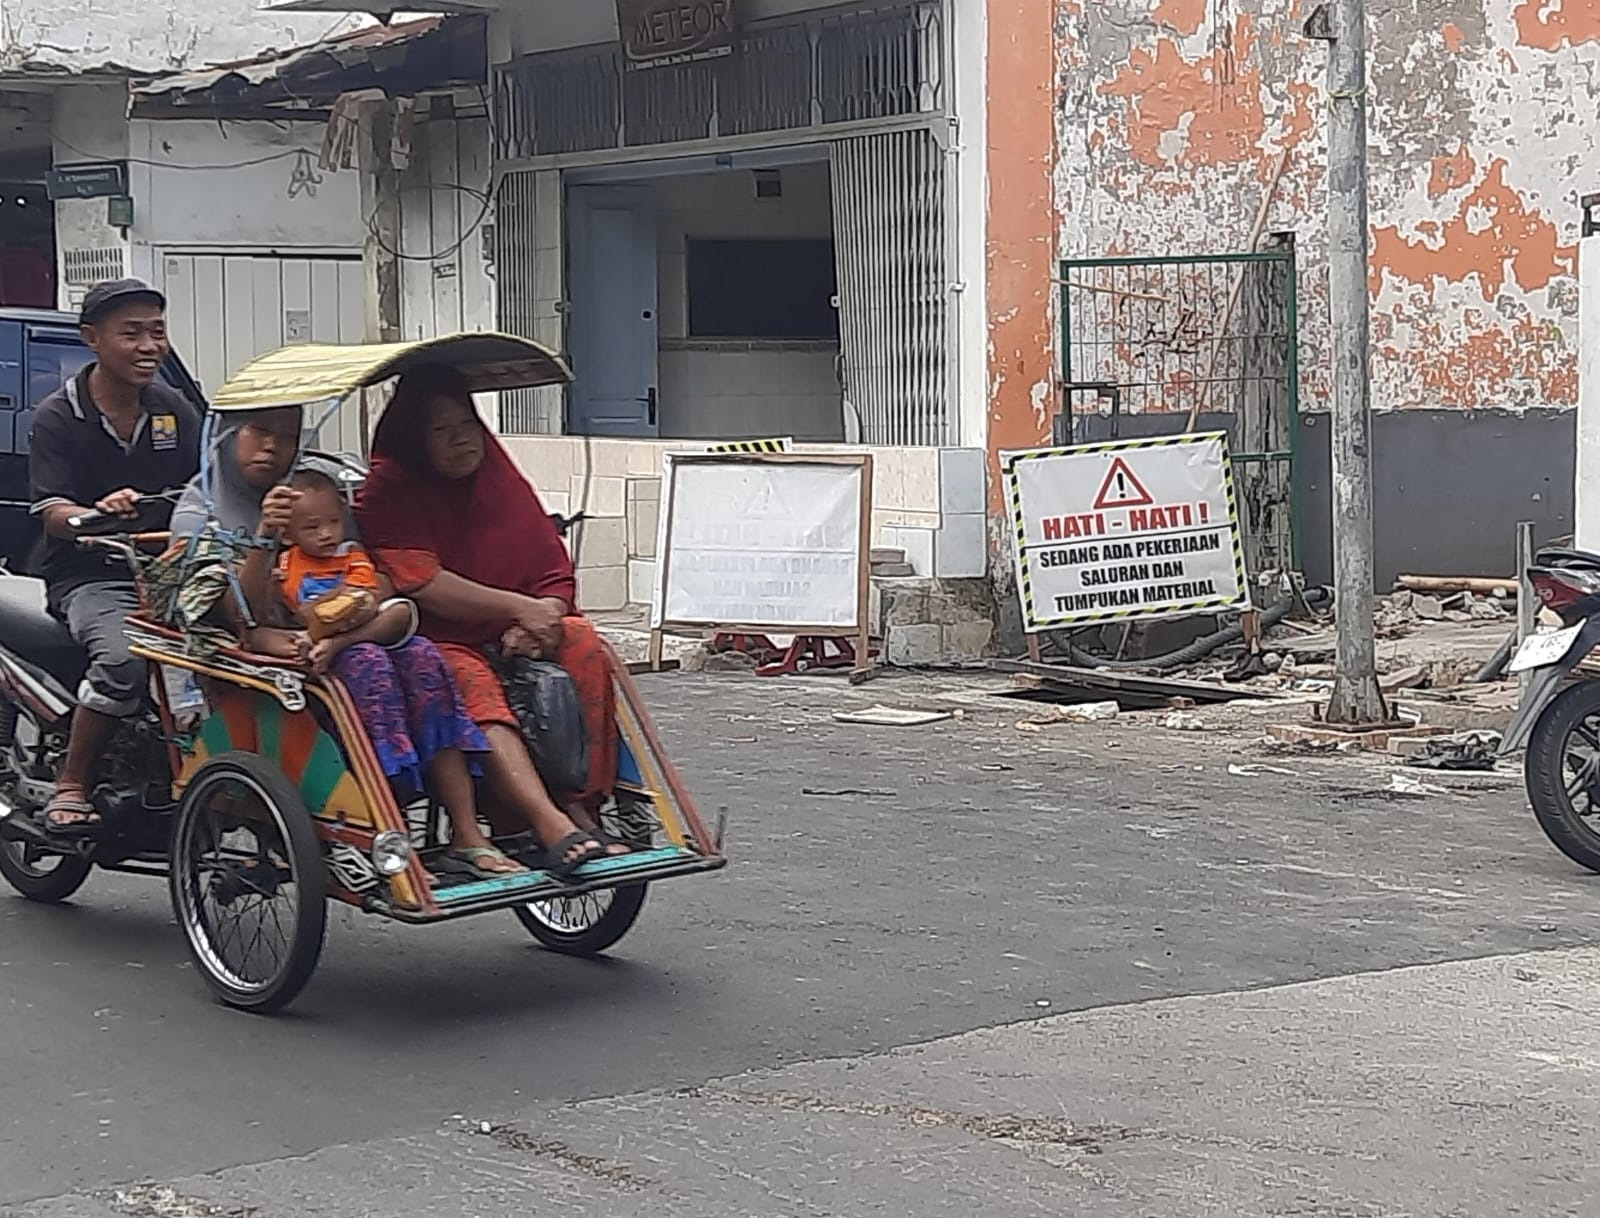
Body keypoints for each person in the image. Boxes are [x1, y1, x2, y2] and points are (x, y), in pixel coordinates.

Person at [356, 365, 626, 877]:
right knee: (471, 682)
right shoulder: (388, 490)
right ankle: (545, 822)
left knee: (585, 643)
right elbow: (421, 580)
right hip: (439, 637)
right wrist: (517, 607)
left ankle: (582, 808)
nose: (461, 440)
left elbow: (550, 566)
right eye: (441, 430)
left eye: (467, 424)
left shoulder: (499, 477)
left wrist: (545, 612)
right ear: (416, 439)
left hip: (517, 629)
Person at [260, 469, 512, 877]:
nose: (326, 534)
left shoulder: (354, 557)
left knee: (425, 657)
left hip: (364, 640)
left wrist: (346, 626)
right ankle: (393, 836)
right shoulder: (284, 569)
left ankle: (467, 831)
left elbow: (382, 603)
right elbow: (297, 617)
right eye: (312, 527)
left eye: (332, 523)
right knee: (370, 666)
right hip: (325, 673)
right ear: (288, 534)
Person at [27, 278, 202, 834]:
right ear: (92, 340)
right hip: (88, 574)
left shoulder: (173, 410)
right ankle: (72, 783)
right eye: (132, 334)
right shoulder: (59, 416)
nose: (151, 345)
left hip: (167, 570)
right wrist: (93, 515)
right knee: (125, 661)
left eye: (157, 331)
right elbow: (52, 510)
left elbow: (205, 484)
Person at [168, 404, 307, 658]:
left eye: (289, 436)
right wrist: (265, 535)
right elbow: (233, 614)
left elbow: (361, 567)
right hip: (242, 667)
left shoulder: (310, 494)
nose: (272, 445)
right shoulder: (199, 517)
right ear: (227, 433)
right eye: (259, 430)